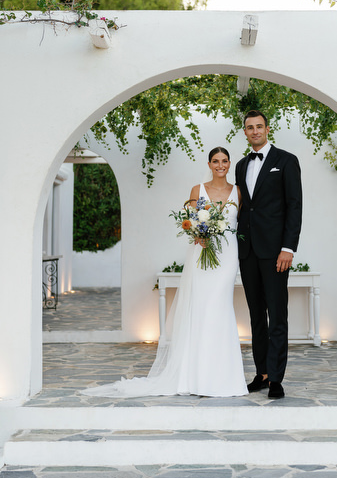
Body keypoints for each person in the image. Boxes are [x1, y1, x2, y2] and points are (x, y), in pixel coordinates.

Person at [81, 147, 247, 398]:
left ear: (229, 163)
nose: (220, 165)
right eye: (215, 161)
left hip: (227, 256)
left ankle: (222, 377)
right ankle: (195, 376)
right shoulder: (197, 190)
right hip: (202, 254)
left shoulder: (238, 192)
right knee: (201, 308)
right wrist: (199, 235)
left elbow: (242, 223)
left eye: (224, 161)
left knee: (220, 306)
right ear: (209, 164)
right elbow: (191, 223)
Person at [235, 110, 302, 399]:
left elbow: (294, 206)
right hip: (247, 250)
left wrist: (288, 248)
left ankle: (276, 378)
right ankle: (261, 373)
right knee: (255, 316)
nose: (254, 131)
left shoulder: (286, 161)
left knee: (277, 315)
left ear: (267, 128)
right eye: (249, 128)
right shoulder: (239, 165)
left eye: (258, 126)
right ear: (245, 131)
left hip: (276, 252)